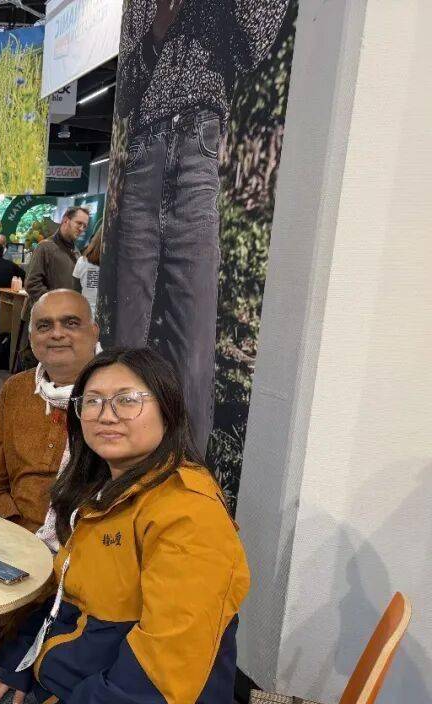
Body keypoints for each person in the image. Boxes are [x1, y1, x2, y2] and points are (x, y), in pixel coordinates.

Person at [0, 346, 249, 704]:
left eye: (127, 400)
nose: (107, 414)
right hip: (88, 685)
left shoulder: (188, 515)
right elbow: (66, 599)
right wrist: (18, 666)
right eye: (93, 401)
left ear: (167, 408)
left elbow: (167, 666)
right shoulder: (108, 491)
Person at [112, 0, 289, 453]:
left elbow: (256, 44)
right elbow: (127, 91)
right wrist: (159, 26)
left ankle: (189, 472)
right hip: (144, 148)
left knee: (192, 333)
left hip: (199, 141)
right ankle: (118, 461)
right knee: (127, 327)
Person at [0, 290, 98, 536]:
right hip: (14, 536)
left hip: (86, 544)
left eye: (71, 323)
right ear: (31, 337)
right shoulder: (16, 389)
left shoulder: (115, 397)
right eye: (44, 326)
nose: (57, 334)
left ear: (94, 332)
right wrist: (20, 538)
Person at [23, 206, 90, 304]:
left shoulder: (77, 253)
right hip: (47, 311)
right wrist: (55, 303)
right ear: (66, 220)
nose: (81, 229)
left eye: (84, 226)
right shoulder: (44, 247)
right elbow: (32, 284)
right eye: (79, 223)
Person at [73, 224, 102, 320]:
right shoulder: (119, 265)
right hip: (111, 319)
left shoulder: (82, 261)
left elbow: (75, 291)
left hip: (86, 316)